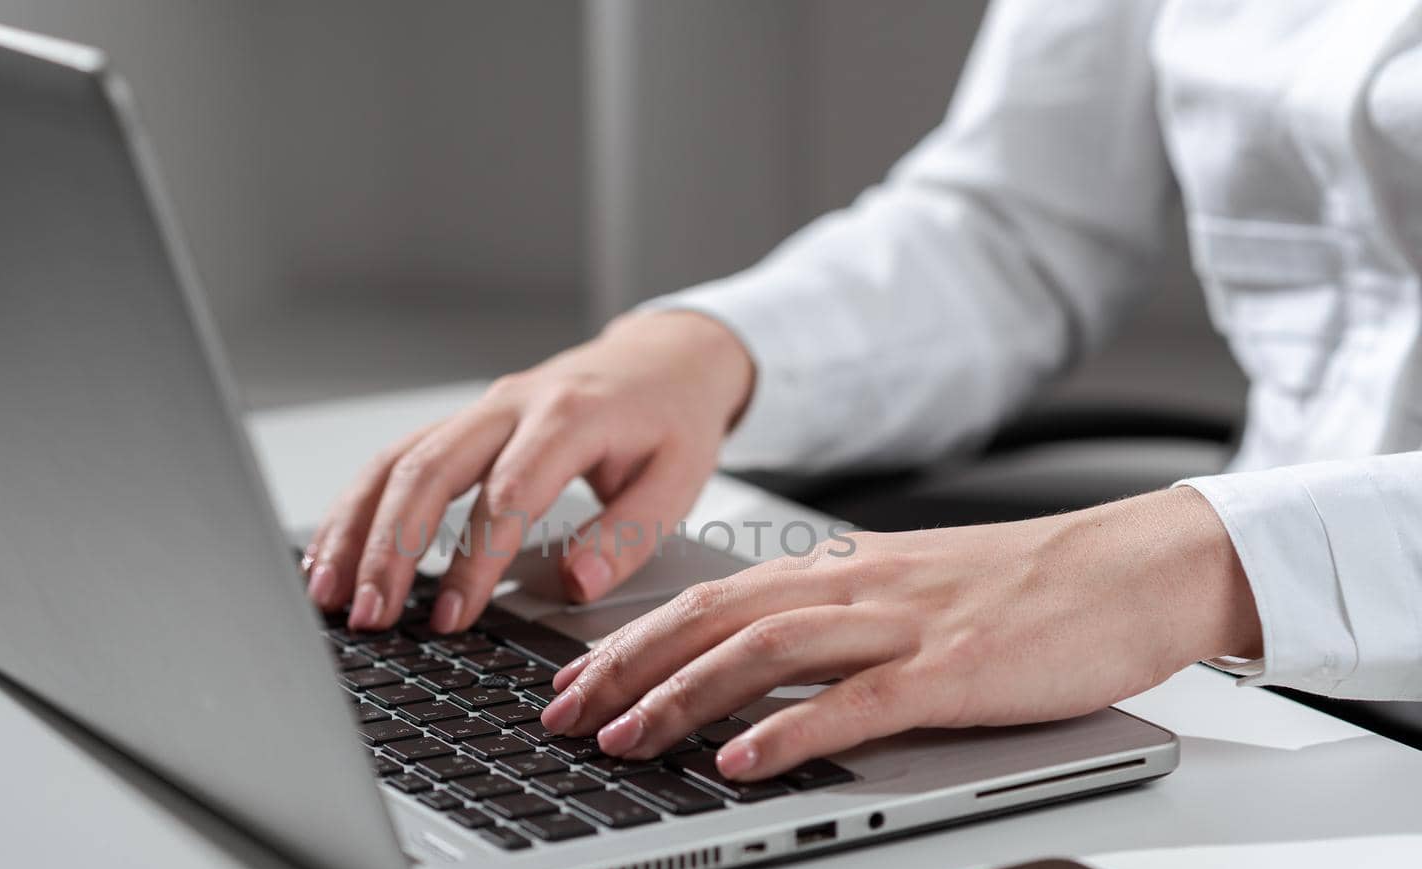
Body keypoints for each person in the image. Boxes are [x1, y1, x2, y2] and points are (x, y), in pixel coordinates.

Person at [301, 0, 1422, 783]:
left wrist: (1203, 566)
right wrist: (705, 351)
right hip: (1247, 700)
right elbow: (1020, 226)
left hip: (1215, 632)